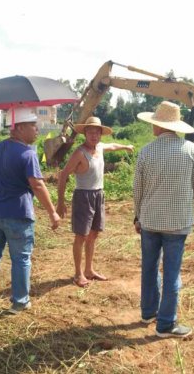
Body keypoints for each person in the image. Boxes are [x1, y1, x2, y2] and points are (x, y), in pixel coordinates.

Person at [133, 101, 194, 338]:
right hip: (178, 223)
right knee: (172, 273)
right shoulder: (190, 150)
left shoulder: (146, 151)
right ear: (175, 126)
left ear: (158, 126)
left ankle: (148, 312)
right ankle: (166, 324)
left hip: (150, 221)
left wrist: (137, 216)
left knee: (149, 266)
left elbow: (138, 189)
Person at [0, 107, 60, 316]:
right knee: (21, 258)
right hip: (18, 214)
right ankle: (20, 302)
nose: (37, 129)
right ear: (19, 128)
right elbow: (37, 186)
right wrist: (52, 212)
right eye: (33, 125)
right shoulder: (28, 153)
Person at [57, 116, 134, 287]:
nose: (94, 135)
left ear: (100, 134)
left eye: (97, 132)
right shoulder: (79, 152)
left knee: (94, 234)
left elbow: (112, 146)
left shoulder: (100, 147)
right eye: (90, 132)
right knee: (81, 236)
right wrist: (60, 202)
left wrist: (126, 146)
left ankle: (89, 270)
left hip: (99, 195)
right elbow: (63, 176)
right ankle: (78, 274)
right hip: (83, 197)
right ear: (85, 133)